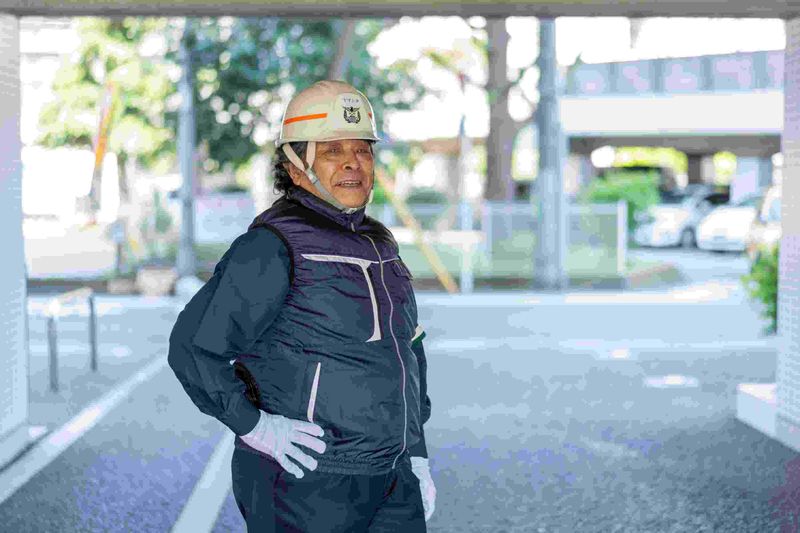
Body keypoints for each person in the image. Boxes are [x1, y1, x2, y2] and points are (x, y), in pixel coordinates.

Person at [167, 80, 436, 532]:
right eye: (332, 151)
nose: (353, 163)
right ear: (294, 166)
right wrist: (256, 427)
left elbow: (408, 353)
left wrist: (417, 453)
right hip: (305, 481)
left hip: (392, 478)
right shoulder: (272, 246)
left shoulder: (380, 242)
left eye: (363, 149)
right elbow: (193, 347)